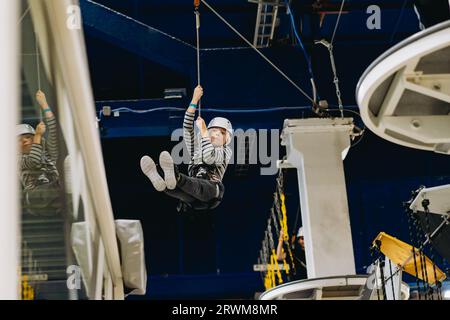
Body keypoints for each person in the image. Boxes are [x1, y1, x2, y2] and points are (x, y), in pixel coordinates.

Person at [140, 85, 233, 211]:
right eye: (214, 130)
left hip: (212, 193)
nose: (216, 134)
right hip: (193, 196)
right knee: (177, 190)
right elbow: (187, 128)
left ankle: (175, 176)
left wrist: (205, 131)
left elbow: (209, 156)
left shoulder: (224, 152)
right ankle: (161, 178)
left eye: (222, 133)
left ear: (226, 140)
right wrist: (194, 100)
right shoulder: (198, 149)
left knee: (191, 183)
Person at [17, 90, 60, 216]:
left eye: (27, 137)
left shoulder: (47, 152)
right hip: (34, 198)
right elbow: (33, 161)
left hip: (55, 198)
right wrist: (37, 136)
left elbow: (54, 131)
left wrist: (44, 105)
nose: (24, 141)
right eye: (18, 140)